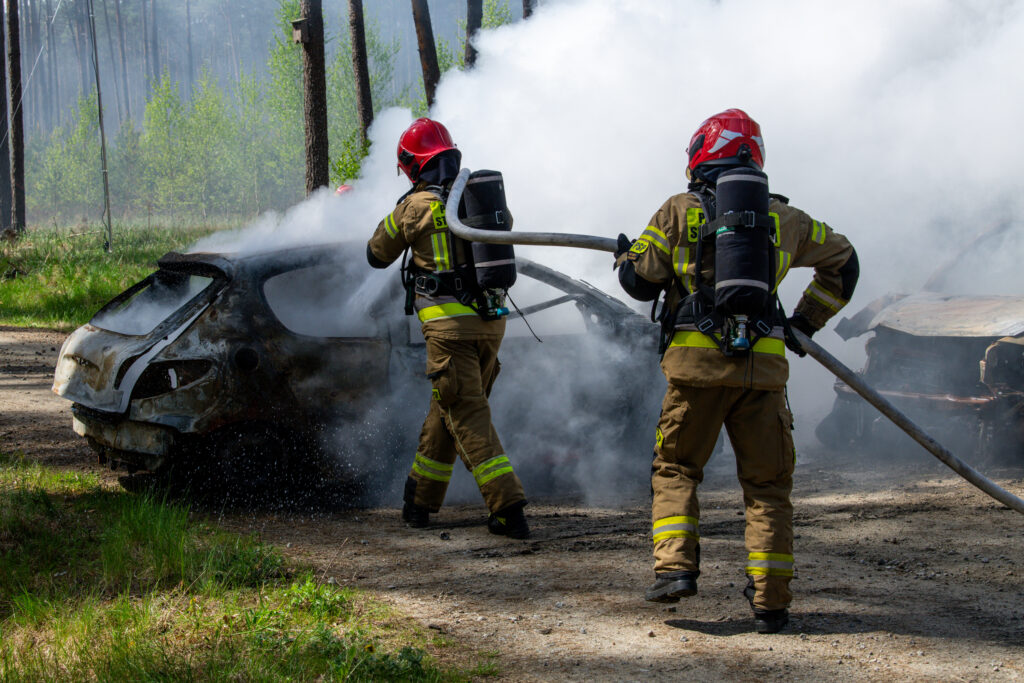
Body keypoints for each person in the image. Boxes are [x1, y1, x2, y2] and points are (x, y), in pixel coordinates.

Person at [615, 109, 858, 633]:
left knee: (677, 468)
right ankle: (772, 601)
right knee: (767, 486)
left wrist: (625, 256)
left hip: (695, 371)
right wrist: (804, 322)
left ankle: (676, 570)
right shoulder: (787, 219)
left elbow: (639, 283)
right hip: (762, 374)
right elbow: (845, 262)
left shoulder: (678, 210)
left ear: (703, 153)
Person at [366, 117, 530, 538]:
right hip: (491, 325)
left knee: (467, 415)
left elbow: (376, 253)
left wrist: (403, 213)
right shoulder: (477, 198)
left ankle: (508, 507)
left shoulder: (414, 208)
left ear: (413, 164)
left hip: (449, 330)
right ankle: (419, 501)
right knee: (450, 410)